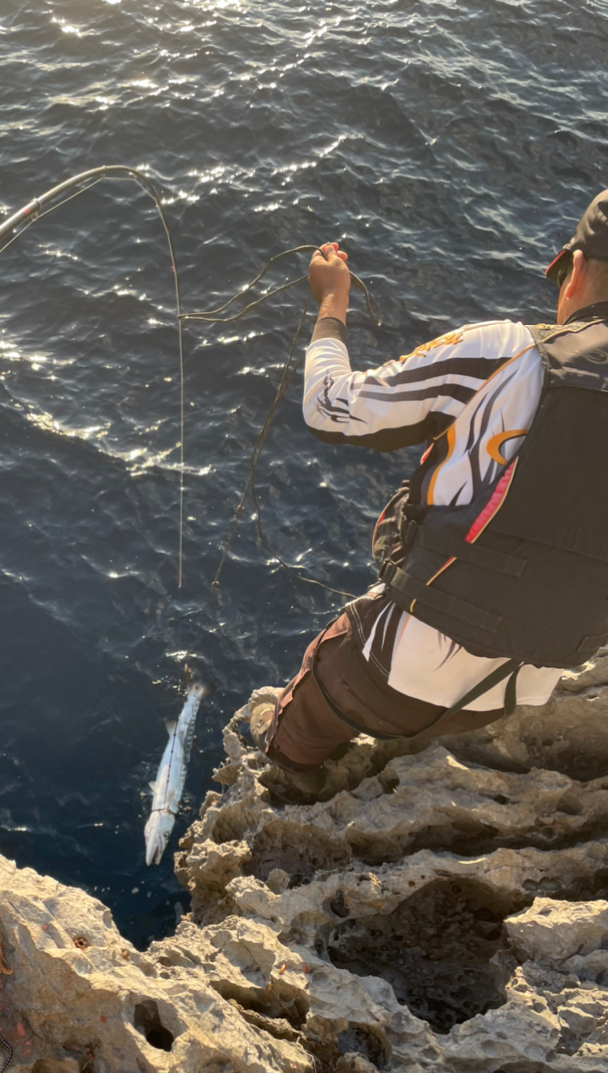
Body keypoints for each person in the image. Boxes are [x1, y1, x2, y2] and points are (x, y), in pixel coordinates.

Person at [255, 189, 608, 779]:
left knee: (306, 715)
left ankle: (291, 781)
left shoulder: (510, 351)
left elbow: (328, 408)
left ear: (574, 271)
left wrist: (331, 302)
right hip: (521, 687)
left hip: (389, 677)